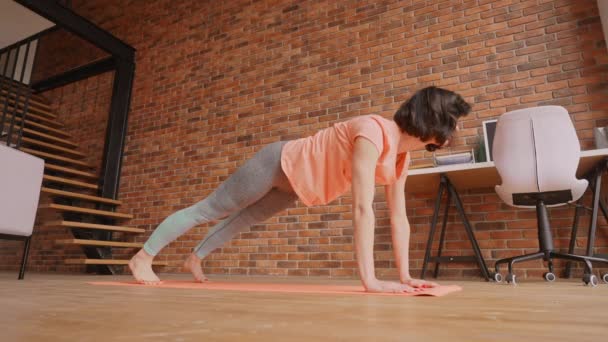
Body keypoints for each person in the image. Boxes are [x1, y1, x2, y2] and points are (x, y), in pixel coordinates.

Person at [129, 86, 471, 293]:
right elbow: (363, 208)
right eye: (452, 123)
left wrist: (405, 276)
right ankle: (143, 257)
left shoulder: (401, 157)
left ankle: (195, 258)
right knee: (211, 209)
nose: (453, 130)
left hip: (295, 185)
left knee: (245, 220)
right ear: (434, 119)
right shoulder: (373, 131)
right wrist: (371, 280)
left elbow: (399, 218)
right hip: (276, 163)